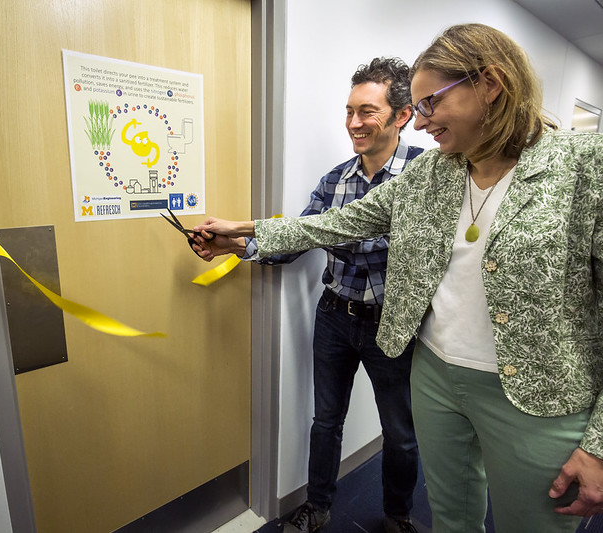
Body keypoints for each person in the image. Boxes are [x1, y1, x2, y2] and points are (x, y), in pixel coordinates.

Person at [193, 23, 603, 533]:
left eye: (430, 104)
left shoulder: (586, 166)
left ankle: (396, 515)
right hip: (433, 371)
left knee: (531, 520)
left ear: (491, 85)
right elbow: (333, 222)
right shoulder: (431, 173)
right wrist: (243, 230)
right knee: (451, 514)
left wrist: (599, 443)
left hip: (537, 393)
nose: (425, 121)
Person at [214, 57, 423, 533]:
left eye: (367, 111)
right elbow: (299, 236)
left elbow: (430, 254)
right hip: (335, 316)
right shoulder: (335, 180)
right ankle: (319, 506)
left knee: (401, 434)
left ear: (402, 114)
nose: (354, 123)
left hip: (394, 324)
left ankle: (397, 517)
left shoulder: (427, 177)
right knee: (325, 421)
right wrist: (236, 246)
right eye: (349, 111)